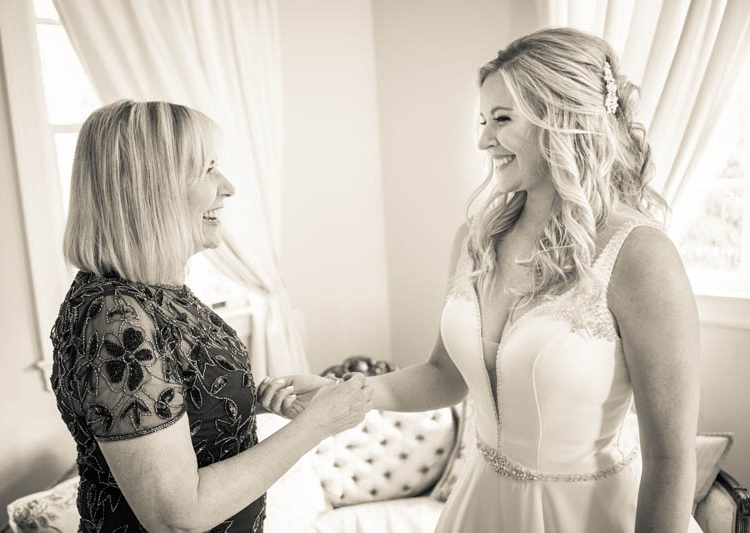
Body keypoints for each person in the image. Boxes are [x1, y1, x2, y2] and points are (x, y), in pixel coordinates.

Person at [260, 28, 701, 532]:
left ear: (562, 120)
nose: (483, 139)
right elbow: (443, 377)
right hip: (480, 508)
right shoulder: (475, 240)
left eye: (502, 119)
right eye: (483, 120)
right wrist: (338, 393)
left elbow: (670, 458)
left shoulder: (641, 256)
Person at [50, 99, 373, 533]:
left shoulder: (159, 295)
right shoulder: (115, 317)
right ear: (151, 189)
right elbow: (177, 518)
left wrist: (245, 402)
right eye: (207, 169)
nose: (228, 187)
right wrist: (317, 425)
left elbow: (173, 410)